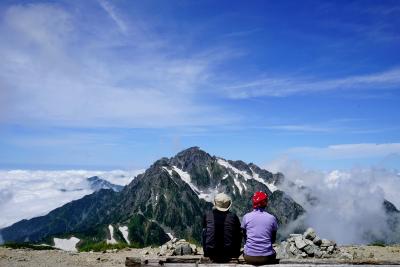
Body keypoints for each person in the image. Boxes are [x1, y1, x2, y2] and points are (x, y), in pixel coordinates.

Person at [241, 191, 279, 265]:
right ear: (265, 203)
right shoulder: (272, 218)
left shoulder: (246, 217)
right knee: (274, 252)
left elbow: (244, 235)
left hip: (249, 257)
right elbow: (273, 239)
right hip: (267, 257)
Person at [202, 192, 242, 262]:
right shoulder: (233, 216)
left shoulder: (208, 215)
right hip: (230, 252)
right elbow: (238, 233)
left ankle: (205, 251)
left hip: (211, 252)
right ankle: (236, 252)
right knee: (239, 232)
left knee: (204, 230)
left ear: (215, 203)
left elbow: (205, 230)